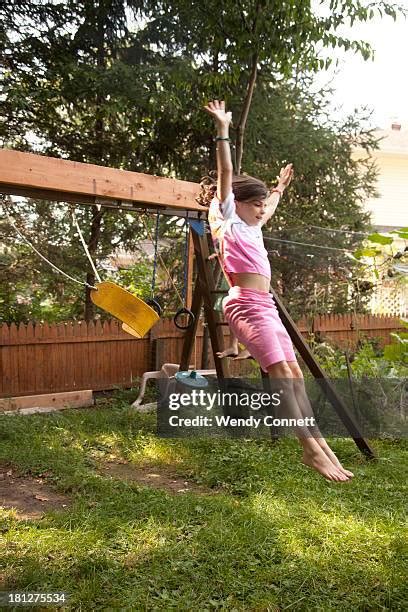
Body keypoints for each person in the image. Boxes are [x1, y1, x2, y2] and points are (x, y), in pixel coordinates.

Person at [202, 99, 354, 482]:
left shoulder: (253, 226)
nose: (260, 209)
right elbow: (227, 169)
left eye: (260, 205)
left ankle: (319, 445)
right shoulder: (229, 219)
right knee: (282, 375)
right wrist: (223, 128)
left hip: (265, 304)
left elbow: (269, 206)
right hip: (246, 305)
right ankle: (309, 449)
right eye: (254, 204)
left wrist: (279, 189)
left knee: (294, 374)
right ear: (237, 204)